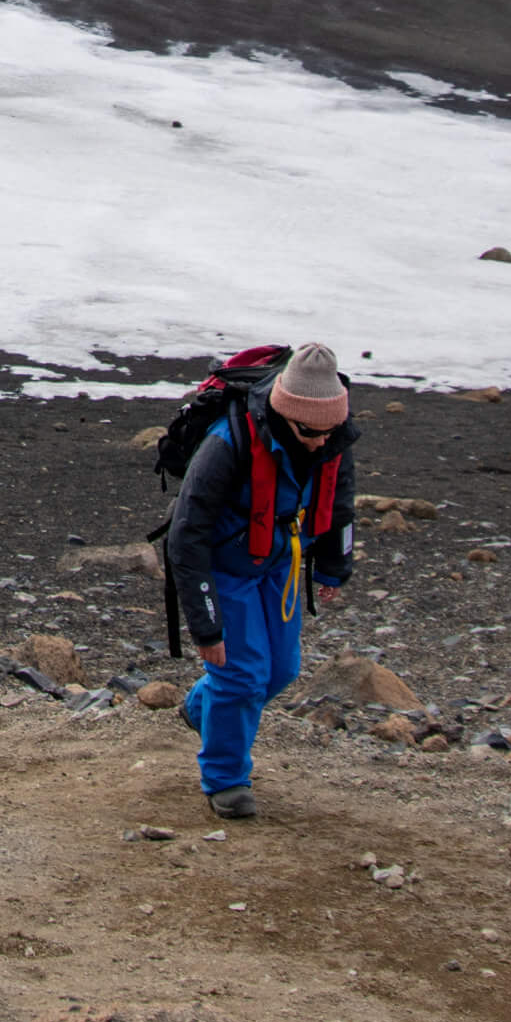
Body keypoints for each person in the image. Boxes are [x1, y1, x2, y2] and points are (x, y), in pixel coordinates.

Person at [166, 340, 357, 819]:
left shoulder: (332, 435)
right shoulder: (227, 444)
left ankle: (200, 709)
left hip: (282, 566)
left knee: (281, 672)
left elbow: (340, 504)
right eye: (310, 431)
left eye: (328, 431)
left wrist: (335, 566)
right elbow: (187, 535)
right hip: (226, 571)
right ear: (284, 414)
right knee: (242, 677)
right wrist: (205, 627)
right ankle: (226, 781)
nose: (319, 441)